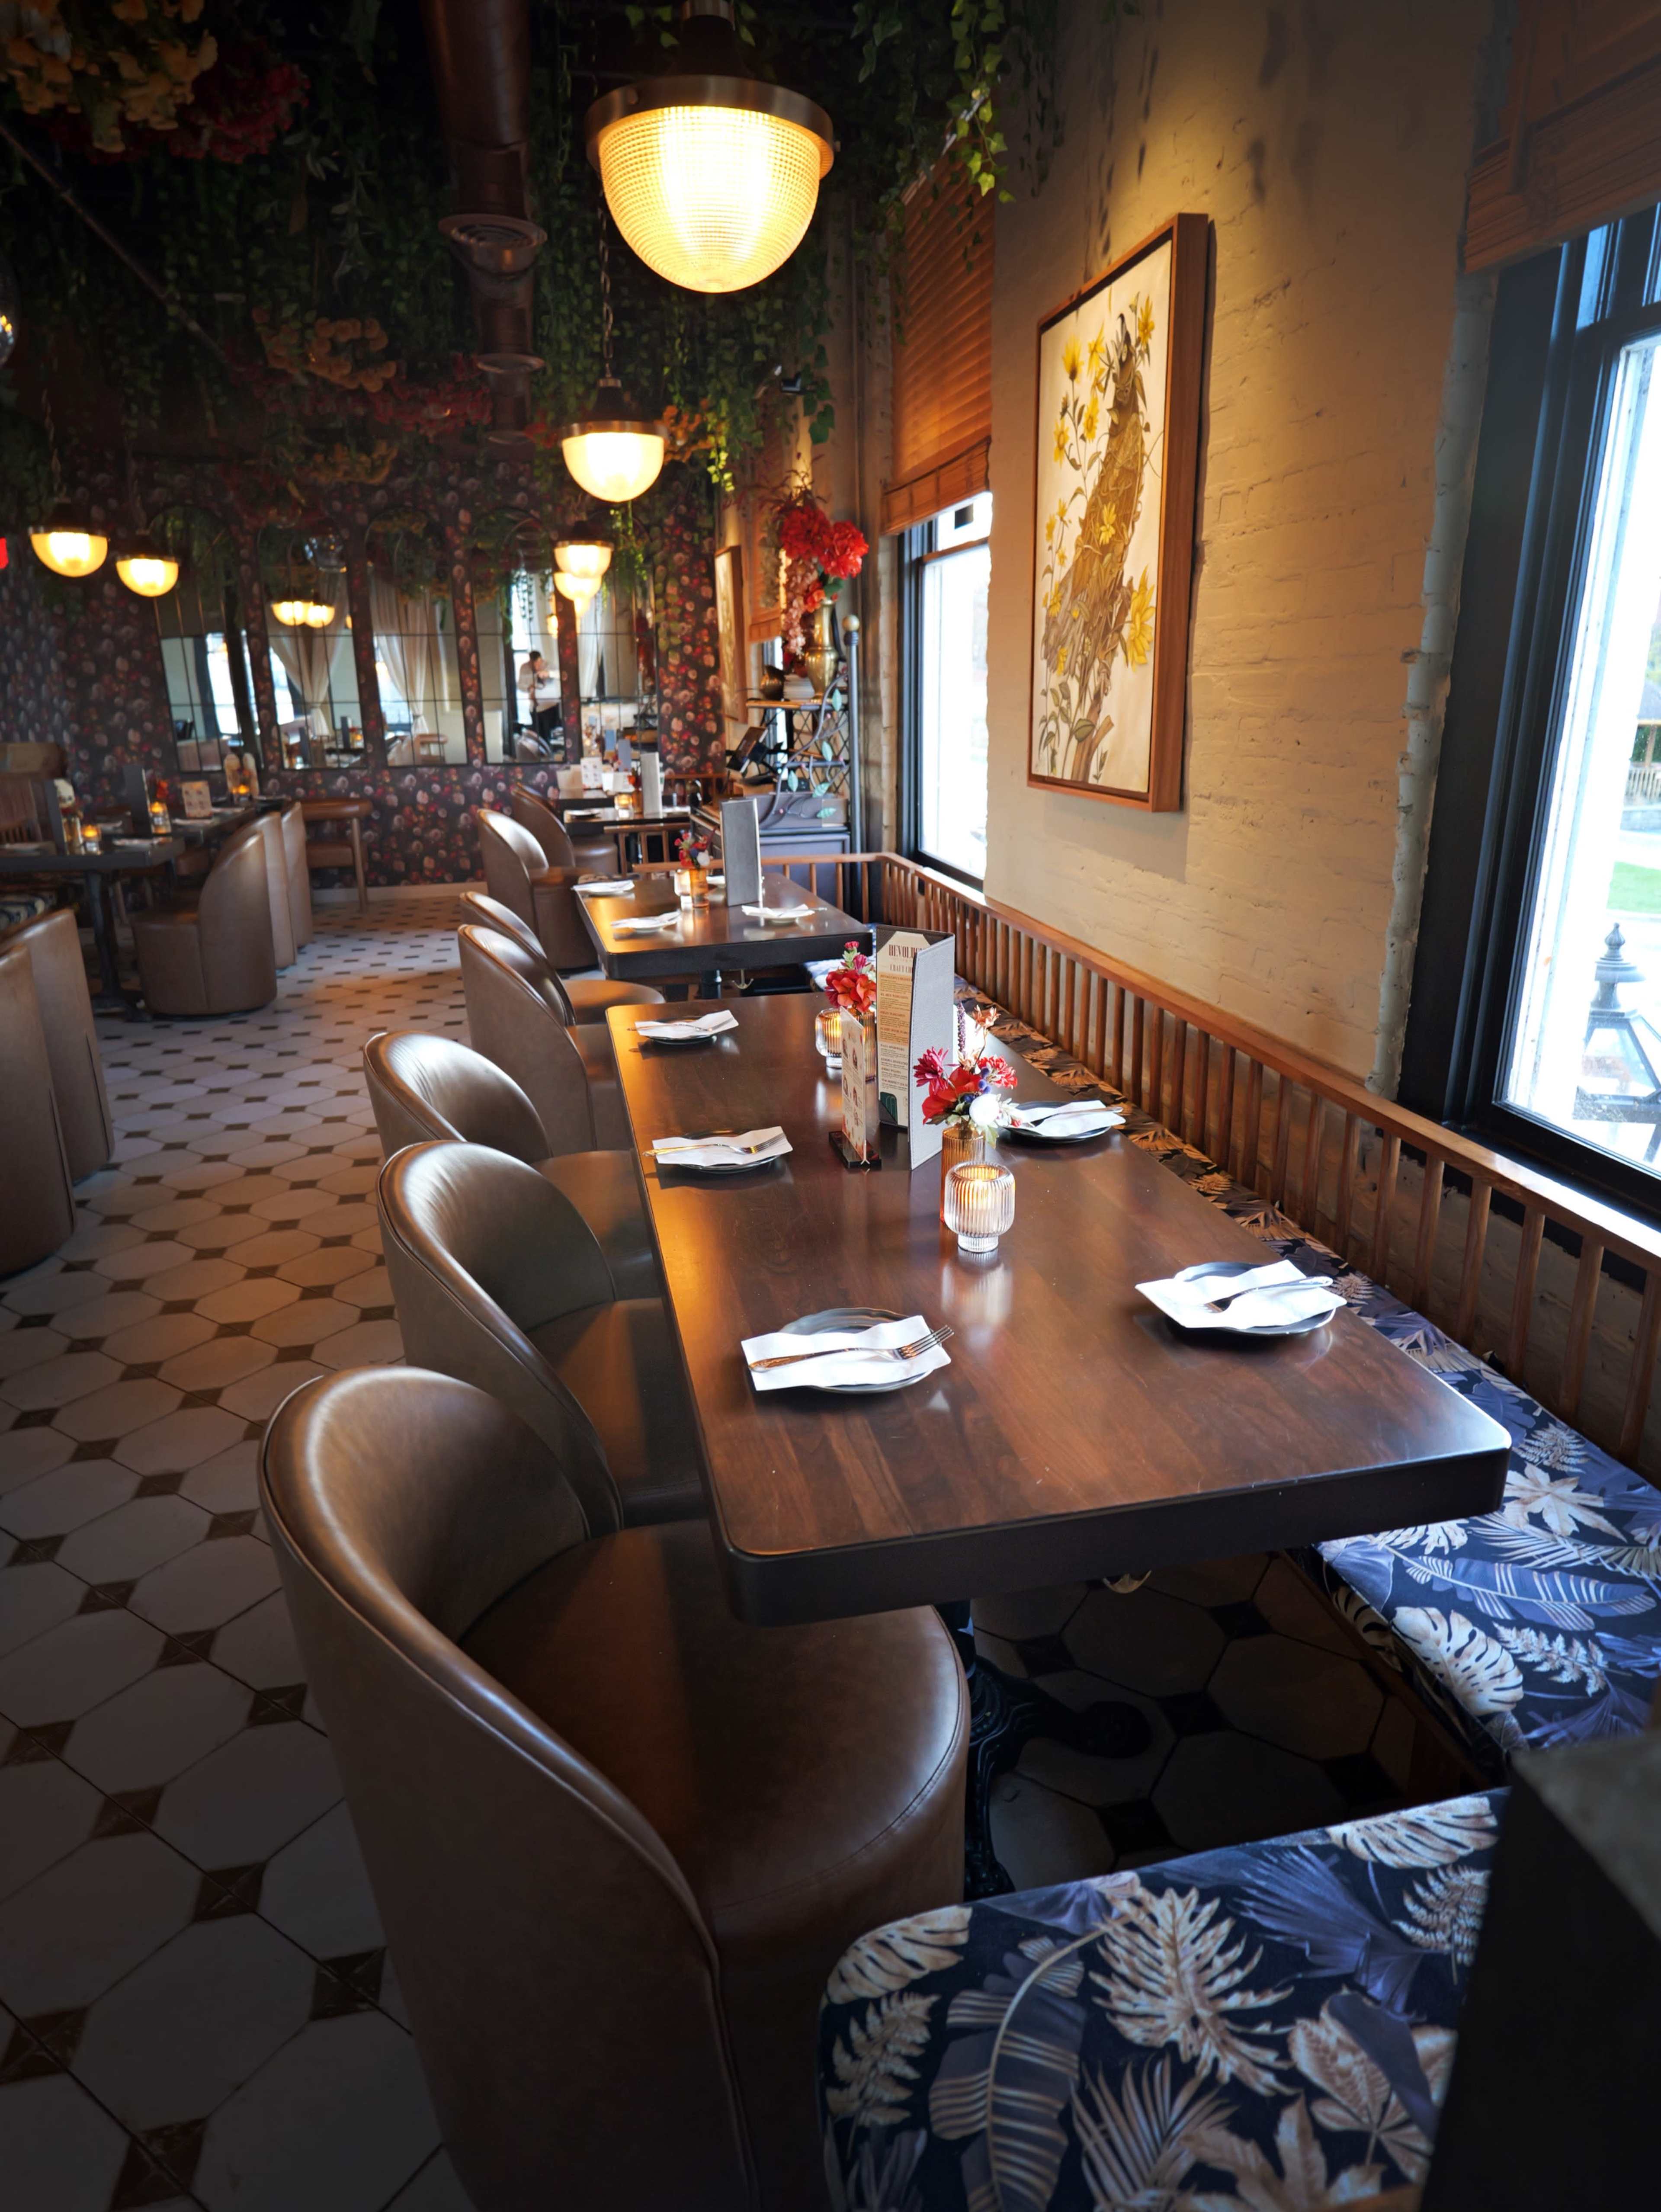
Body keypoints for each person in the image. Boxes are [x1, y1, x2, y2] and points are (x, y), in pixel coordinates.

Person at [516, 652, 561, 742]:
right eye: (533, 664)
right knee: (538, 736)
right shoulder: (525, 668)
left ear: (541, 660)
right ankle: (541, 754)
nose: (536, 666)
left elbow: (560, 674)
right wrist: (529, 687)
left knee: (550, 733)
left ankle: (551, 753)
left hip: (549, 706)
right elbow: (520, 686)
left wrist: (548, 674)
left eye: (538, 663)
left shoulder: (549, 665)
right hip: (534, 707)